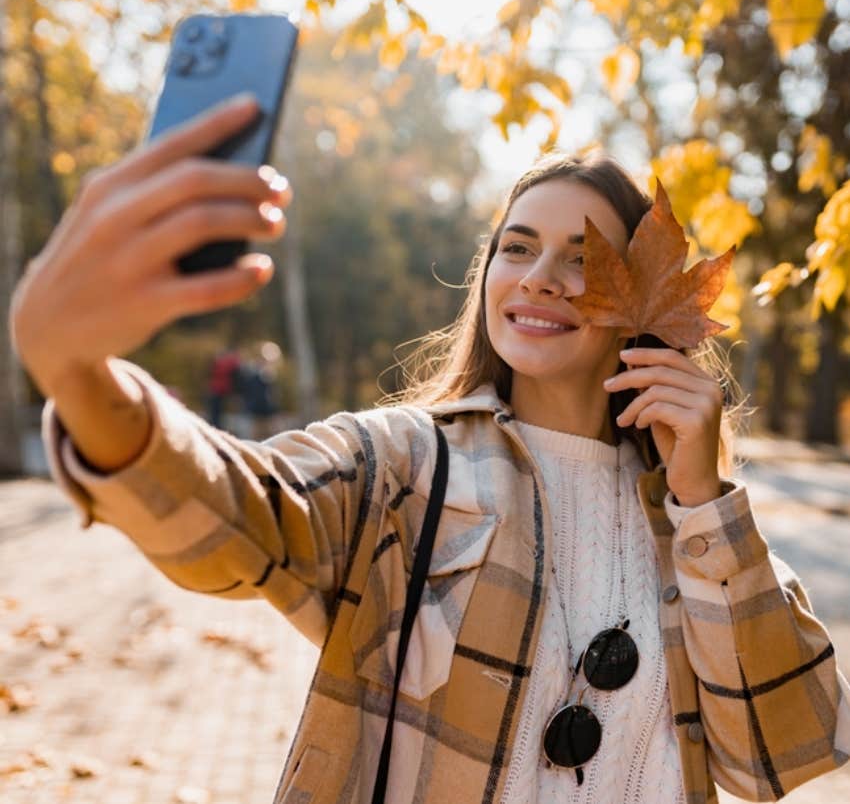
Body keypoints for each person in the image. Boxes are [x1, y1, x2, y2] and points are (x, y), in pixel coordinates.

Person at [10, 95, 850, 804]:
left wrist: (704, 502)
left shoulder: (695, 524)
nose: (540, 277)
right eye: (516, 248)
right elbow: (230, 514)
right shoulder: (406, 465)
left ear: (645, 306)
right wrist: (79, 376)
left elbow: (780, 749)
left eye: (586, 258)